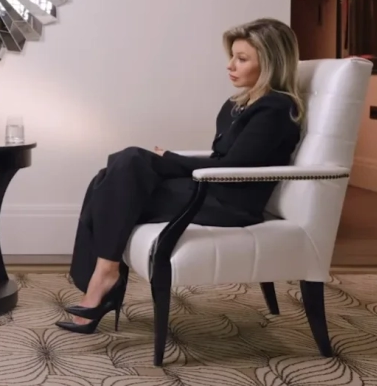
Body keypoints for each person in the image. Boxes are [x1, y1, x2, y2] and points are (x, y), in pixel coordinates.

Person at [57, 18, 304, 334]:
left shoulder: (276, 109)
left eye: (242, 59)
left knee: (123, 169)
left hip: (230, 203)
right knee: (110, 177)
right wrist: (168, 161)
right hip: (210, 189)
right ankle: (101, 282)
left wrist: (170, 160)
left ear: (270, 64)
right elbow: (221, 160)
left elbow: (234, 167)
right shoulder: (238, 105)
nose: (230, 65)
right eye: (232, 56)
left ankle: (102, 281)